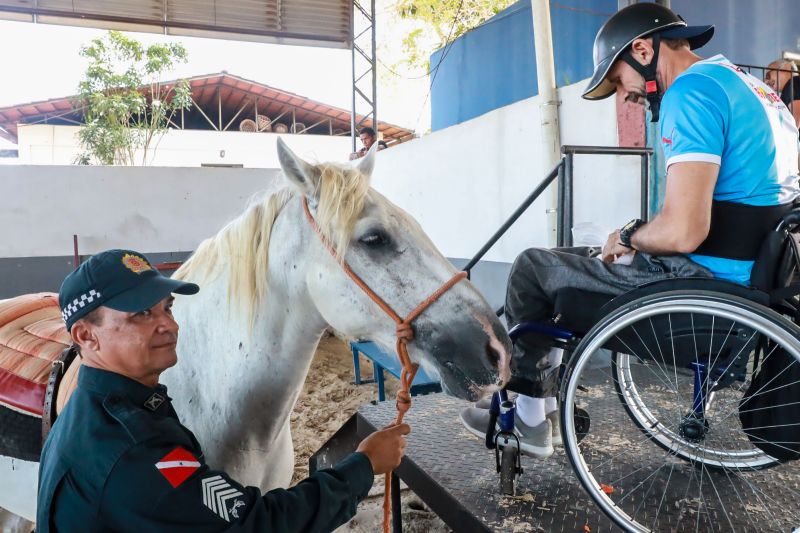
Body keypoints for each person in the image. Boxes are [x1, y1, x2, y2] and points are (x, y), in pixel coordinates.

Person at [461, 3, 800, 459]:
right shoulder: (756, 90)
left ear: (642, 49)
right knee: (570, 258)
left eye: (619, 80)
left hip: (702, 289)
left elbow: (683, 232)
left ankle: (530, 418)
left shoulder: (690, 92)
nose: (625, 95)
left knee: (533, 268)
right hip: (754, 279)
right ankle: (542, 407)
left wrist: (628, 236)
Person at [37, 249, 410, 532]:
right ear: (87, 336)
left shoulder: (106, 406)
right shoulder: (133, 450)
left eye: (167, 308)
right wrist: (364, 466)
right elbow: (258, 524)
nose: (169, 325)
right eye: (142, 314)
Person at [765, 59, 800, 128]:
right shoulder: (789, 87)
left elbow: (798, 117)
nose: (767, 81)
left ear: (785, 68)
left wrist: (790, 135)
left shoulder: (794, 82)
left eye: (768, 75)